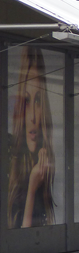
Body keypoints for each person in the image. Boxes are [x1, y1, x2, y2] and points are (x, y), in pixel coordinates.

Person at [8, 47, 56, 228]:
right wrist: (32, 187)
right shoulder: (12, 166)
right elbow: (20, 237)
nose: (33, 118)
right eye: (27, 101)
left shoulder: (42, 164)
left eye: (38, 101)